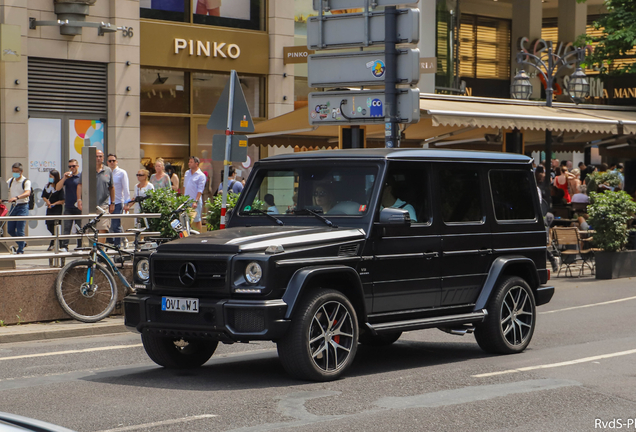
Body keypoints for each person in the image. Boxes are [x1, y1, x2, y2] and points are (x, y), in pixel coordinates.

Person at [77, 149, 115, 234]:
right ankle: (92, 247)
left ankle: (100, 247)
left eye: (100, 156)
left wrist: (112, 202)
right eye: (96, 156)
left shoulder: (108, 170)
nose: (98, 158)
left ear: (103, 158)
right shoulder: (87, 170)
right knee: (88, 229)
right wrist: (79, 199)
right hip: (89, 205)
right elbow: (80, 185)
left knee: (103, 228)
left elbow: (111, 187)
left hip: (103, 205)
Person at [56, 159, 82, 251]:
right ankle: (64, 246)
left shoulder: (81, 177)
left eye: (73, 166)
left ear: (77, 166)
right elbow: (57, 188)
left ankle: (80, 246)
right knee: (66, 227)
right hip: (68, 206)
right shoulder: (67, 178)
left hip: (79, 206)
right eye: (70, 166)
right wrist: (64, 178)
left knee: (79, 228)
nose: (72, 168)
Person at [6, 163, 31, 254]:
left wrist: (17, 197)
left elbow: (27, 193)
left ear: (21, 171)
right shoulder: (11, 180)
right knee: (10, 230)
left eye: (17, 172)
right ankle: (22, 243)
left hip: (22, 206)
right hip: (14, 207)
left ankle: (20, 249)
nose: (15, 173)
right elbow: (4, 189)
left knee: (20, 229)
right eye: (14, 171)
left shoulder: (26, 181)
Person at [107, 154, 130, 246]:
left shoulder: (122, 173)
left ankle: (117, 246)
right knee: (106, 226)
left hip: (117, 202)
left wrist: (126, 203)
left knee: (116, 225)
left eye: (113, 160)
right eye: (110, 161)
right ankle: (112, 242)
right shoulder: (106, 172)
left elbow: (126, 188)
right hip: (106, 203)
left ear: (116, 161)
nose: (112, 162)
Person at [41, 170, 65, 251]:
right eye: (49, 176)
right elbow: (43, 196)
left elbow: (62, 200)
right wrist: (47, 201)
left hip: (57, 209)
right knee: (49, 225)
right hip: (49, 209)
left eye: (51, 176)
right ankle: (56, 241)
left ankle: (56, 243)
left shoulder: (59, 187)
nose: (50, 178)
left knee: (55, 225)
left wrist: (54, 204)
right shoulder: (47, 186)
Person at [183, 156, 206, 232]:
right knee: (186, 220)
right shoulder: (187, 173)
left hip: (194, 201)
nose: (189, 163)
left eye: (191, 162)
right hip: (186, 201)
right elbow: (184, 186)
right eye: (189, 162)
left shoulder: (201, 175)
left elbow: (200, 190)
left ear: (196, 164)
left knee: (197, 220)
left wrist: (195, 201)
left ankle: (198, 235)